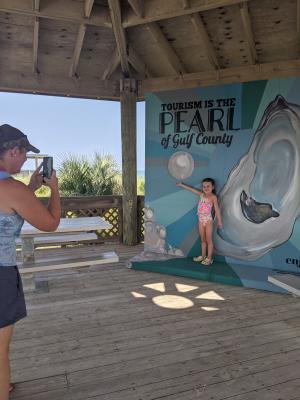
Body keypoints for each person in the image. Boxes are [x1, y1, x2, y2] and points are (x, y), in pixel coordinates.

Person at [0, 124, 61, 400]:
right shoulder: (12, 188)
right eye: (25, 154)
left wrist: (31, 189)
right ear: (13, 151)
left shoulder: (16, 189)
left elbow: (10, 208)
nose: (26, 160)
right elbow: (50, 223)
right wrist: (54, 190)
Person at [176, 178, 222, 266]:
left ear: (213, 187)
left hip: (208, 220)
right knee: (203, 240)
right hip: (200, 220)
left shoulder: (213, 197)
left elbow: (217, 210)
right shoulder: (201, 195)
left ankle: (209, 258)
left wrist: (220, 222)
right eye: (204, 186)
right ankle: (203, 256)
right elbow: (191, 189)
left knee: (209, 240)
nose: (205, 188)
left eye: (208, 186)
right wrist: (182, 185)